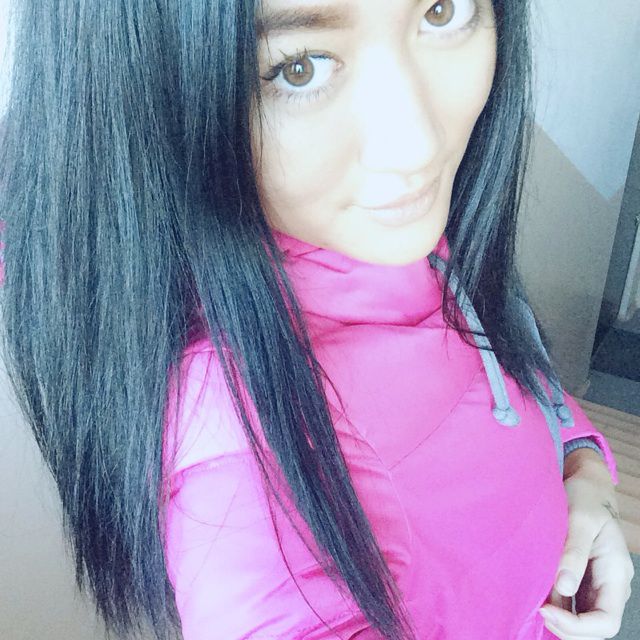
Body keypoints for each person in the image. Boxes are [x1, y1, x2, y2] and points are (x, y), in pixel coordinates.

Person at [0, 1, 633, 639]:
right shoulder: (246, 452)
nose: (419, 143)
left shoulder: (391, 231)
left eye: (441, 11)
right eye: (298, 67)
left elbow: (507, 362)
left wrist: (581, 472)